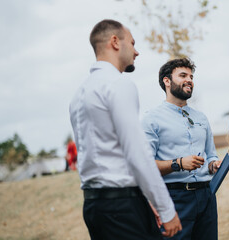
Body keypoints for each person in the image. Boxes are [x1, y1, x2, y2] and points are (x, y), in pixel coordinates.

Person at [69, 19, 181, 240]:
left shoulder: (78, 95)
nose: (137, 51)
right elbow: (137, 153)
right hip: (122, 207)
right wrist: (166, 209)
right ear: (115, 42)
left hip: (94, 206)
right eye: (132, 43)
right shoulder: (118, 85)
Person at [141, 58, 221, 240]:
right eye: (183, 75)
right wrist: (178, 164)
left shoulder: (201, 117)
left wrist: (213, 165)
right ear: (167, 81)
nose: (190, 80)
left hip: (206, 196)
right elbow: (145, 166)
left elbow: (210, 155)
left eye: (191, 76)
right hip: (174, 198)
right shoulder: (151, 119)